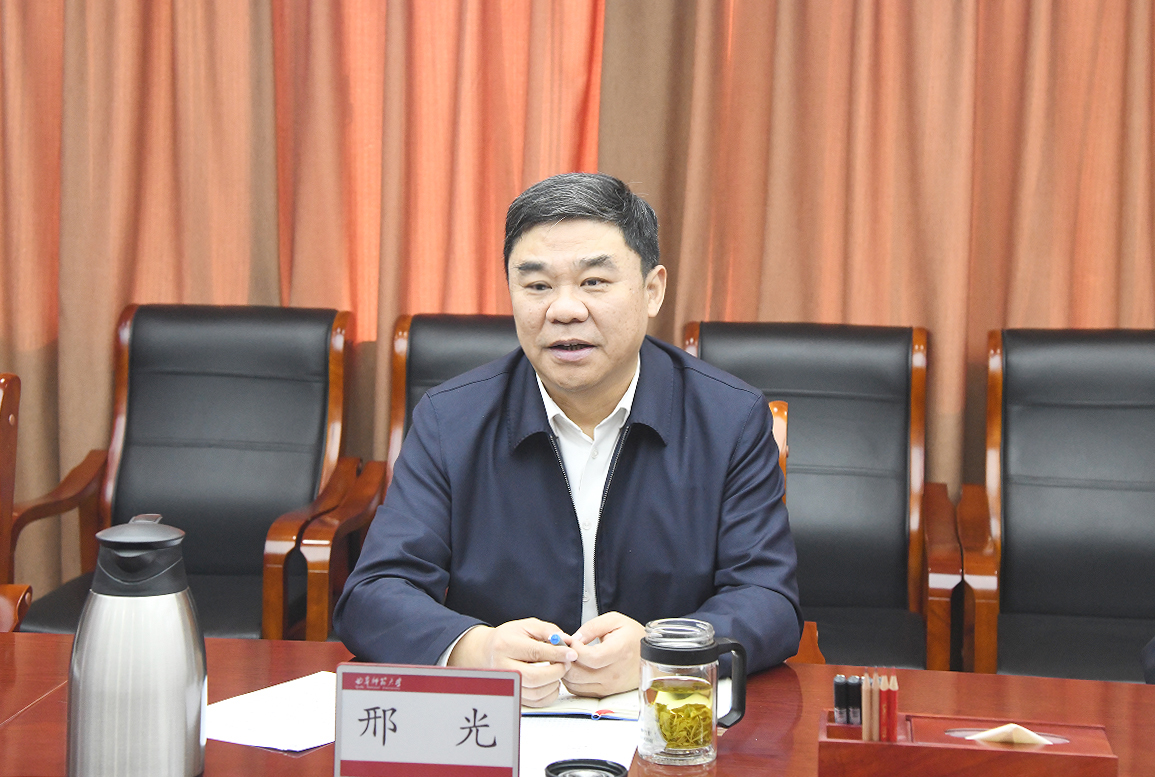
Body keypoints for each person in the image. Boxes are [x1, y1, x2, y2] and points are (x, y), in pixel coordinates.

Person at [335, 172, 801, 706]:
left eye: (594, 282)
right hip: (503, 722)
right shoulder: (451, 420)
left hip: (665, 718)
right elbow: (373, 594)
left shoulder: (729, 418)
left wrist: (659, 652)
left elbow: (769, 600)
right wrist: (475, 650)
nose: (563, 310)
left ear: (652, 291)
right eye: (537, 286)